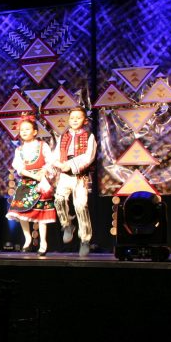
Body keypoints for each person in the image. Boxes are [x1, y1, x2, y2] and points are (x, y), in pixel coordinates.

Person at [6, 114, 56, 255]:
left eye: (27, 129)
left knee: (41, 213)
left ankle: (43, 243)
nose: (24, 132)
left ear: (35, 132)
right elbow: (19, 167)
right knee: (21, 211)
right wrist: (33, 175)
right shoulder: (19, 150)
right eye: (22, 130)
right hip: (26, 182)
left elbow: (50, 161)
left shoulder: (42, 145)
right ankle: (27, 239)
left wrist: (44, 172)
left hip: (41, 183)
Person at [52, 107, 96, 257]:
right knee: (59, 200)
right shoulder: (63, 136)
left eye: (78, 117)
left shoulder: (89, 136)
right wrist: (58, 164)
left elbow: (88, 156)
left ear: (85, 120)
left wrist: (70, 165)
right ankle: (67, 225)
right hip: (64, 174)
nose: (75, 120)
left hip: (79, 176)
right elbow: (56, 154)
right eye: (72, 118)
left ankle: (85, 239)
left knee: (81, 206)